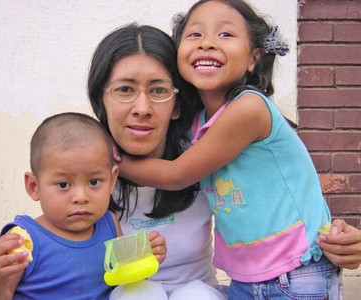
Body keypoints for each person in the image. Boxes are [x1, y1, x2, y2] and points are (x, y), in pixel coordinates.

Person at [117, 1, 354, 298]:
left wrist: (111, 161)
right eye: (194, 35)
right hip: (248, 277)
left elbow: (177, 175)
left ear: (254, 56)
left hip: (296, 272)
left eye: (225, 35)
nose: (207, 44)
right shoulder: (197, 122)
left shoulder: (249, 107)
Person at [87, 24, 227, 299]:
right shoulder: (84, 167)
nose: (142, 108)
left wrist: (329, 237)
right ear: (100, 100)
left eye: (158, 90)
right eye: (125, 89)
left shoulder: (203, 158)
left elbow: (268, 209)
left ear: (176, 105)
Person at [0, 112, 166, 299]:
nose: (81, 197)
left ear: (112, 180)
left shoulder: (109, 223)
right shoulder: (23, 240)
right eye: (63, 185)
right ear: (34, 186)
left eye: (94, 182)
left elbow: (122, 284)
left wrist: (146, 257)